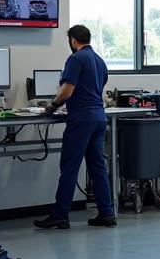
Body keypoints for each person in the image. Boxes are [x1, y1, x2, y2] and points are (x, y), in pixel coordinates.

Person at [34, 24, 116, 230]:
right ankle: (107, 213)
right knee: (97, 167)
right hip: (99, 118)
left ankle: (60, 215)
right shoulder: (99, 60)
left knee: (69, 167)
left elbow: (67, 91)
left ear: (72, 40)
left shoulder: (75, 59)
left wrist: (52, 107)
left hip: (81, 120)